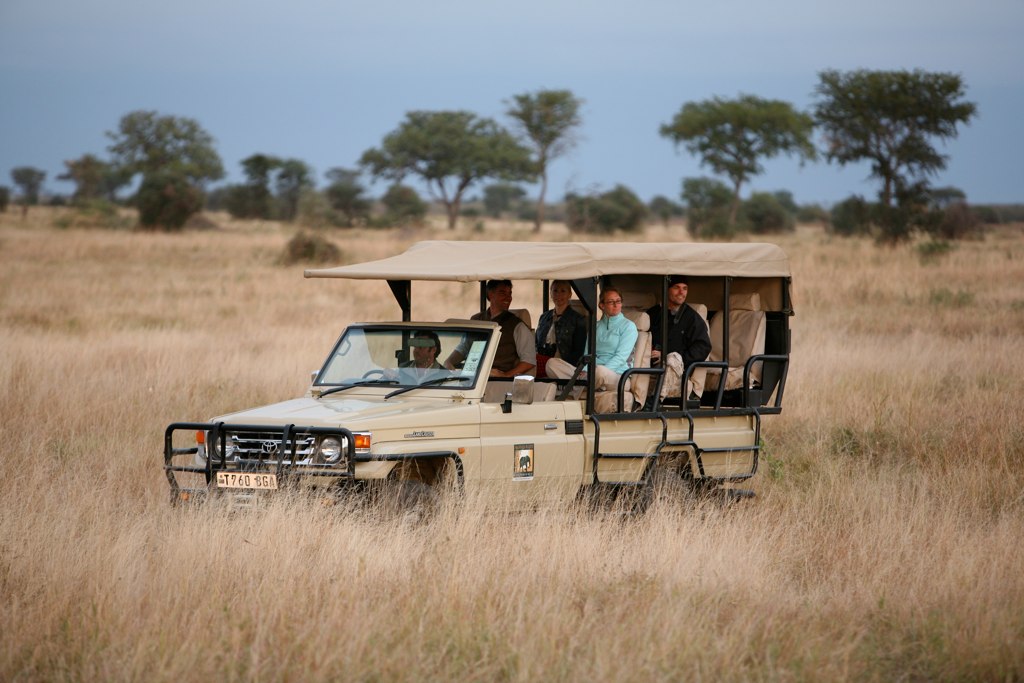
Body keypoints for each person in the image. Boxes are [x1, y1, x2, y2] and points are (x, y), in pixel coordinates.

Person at [546, 286, 637, 393]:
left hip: (616, 375)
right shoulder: (596, 326)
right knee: (551, 364)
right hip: (591, 374)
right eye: (611, 302)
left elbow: (621, 358)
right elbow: (587, 354)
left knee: (600, 372)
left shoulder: (629, 326)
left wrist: (595, 372)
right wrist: (584, 370)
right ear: (601, 305)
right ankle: (584, 386)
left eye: (618, 301)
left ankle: (574, 387)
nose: (616, 305)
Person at [444, 279, 536, 378]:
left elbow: (529, 361)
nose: (508, 298)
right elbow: (464, 347)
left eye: (510, 293)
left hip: (496, 381)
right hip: (471, 377)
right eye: (502, 293)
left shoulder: (517, 325)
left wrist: (506, 375)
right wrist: (448, 362)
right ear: (491, 294)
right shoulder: (475, 320)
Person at [646, 275, 711, 401]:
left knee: (672, 359)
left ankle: (655, 401)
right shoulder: (653, 313)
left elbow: (703, 347)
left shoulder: (692, 318)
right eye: (677, 287)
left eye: (685, 288)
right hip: (650, 366)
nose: (681, 292)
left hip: (678, 370)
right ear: (667, 289)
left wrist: (666, 355)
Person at [534, 280, 587, 378]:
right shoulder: (544, 317)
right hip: (542, 361)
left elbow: (578, 352)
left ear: (570, 294)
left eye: (563, 291)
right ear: (550, 293)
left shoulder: (577, 319)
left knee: (551, 363)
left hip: (562, 364)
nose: (558, 295)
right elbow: (536, 344)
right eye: (555, 291)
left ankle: (576, 378)